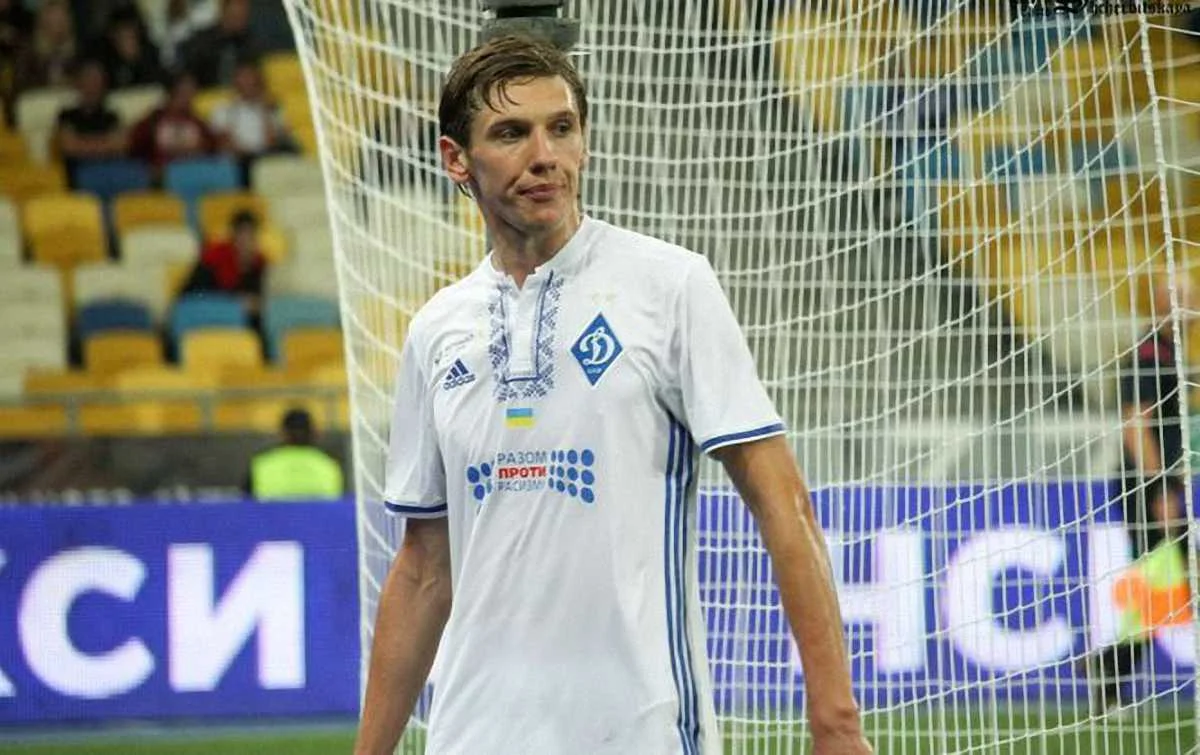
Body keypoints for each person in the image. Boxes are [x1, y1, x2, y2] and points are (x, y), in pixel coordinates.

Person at [355, 35, 871, 755]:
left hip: (639, 732)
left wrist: (836, 722)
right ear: (455, 159)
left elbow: (783, 504)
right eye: (511, 133)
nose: (545, 155)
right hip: (473, 735)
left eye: (561, 127)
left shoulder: (670, 287)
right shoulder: (437, 328)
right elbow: (422, 569)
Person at [1084, 274, 1194, 713]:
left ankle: (1108, 670)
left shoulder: (1166, 352)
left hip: (1154, 486)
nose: (1191, 308)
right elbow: (1136, 425)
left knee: (1162, 585)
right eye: (1183, 298)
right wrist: (1160, 488)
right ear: (1163, 305)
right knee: (1169, 581)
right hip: (1147, 489)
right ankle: (1109, 669)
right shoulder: (1149, 355)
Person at [208, 57, 293, 182]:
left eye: (251, 78)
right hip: (238, 161)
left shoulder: (272, 109)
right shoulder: (223, 109)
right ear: (235, 82)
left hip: (265, 158)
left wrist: (264, 111)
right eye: (243, 78)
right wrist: (246, 154)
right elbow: (224, 143)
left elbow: (272, 143)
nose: (248, 83)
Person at [127, 70, 218, 176]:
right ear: (172, 92)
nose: (187, 96)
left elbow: (212, 149)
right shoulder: (154, 120)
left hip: (191, 176)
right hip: (159, 177)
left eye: (191, 91)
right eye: (183, 91)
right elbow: (133, 145)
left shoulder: (199, 124)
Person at [182, 209, 267, 320]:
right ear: (233, 237)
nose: (246, 243)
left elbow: (259, 302)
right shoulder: (213, 258)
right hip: (206, 317)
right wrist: (233, 304)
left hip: (241, 323)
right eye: (241, 235)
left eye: (251, 237)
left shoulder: (260, 264)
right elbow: (191, 297)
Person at [54, 58, 126, 187]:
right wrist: (104, 145)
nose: (92, 86)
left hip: (110, 172)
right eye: (88, 80)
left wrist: (83, 144)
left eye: (97, 81)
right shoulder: (67, 116)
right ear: (79, 84)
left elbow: (119, 145)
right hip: (77, 174)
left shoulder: (111, 116)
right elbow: (69, 147)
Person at [247, 408, 345, 501]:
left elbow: (245, 505)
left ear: (282, 433)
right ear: (314, 433)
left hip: (271, 514)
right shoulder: (330, 466)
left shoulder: (261, 465)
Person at [180, 0, 258, 88]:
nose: (241, 21)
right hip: (206, 93)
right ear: (224, 12)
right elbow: (188, 77)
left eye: (244, 17)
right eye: (236, 17)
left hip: (238, 94)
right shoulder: (202, 41)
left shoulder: (250, 43)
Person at [88, 5, 166, 90]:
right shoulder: (102, 54)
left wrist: (135, 60)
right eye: (121, 33)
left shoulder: (149, 52)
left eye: (130, 32)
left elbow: (156, 82)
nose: (127, 37)